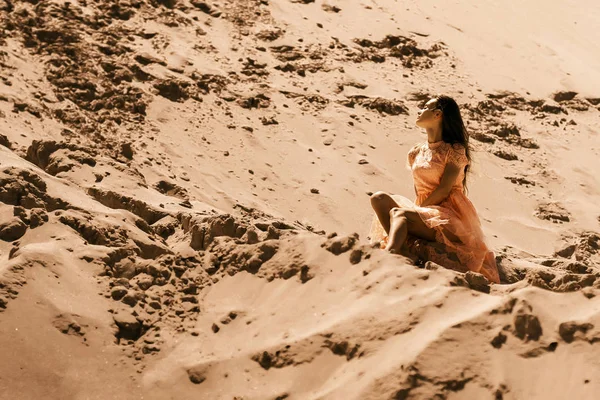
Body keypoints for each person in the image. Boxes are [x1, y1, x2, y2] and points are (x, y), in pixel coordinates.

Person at [368, 95, 500, 284]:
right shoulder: (415, 152)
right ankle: (405, 248)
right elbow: (419, 190)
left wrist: (417, 211)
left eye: (425, 107)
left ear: (438, 114)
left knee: (399, 214)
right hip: (424, 209)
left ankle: (391, 254)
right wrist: (419, 210)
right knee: (378, 198)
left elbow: (444, 189)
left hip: (449, 215)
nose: (419, 110)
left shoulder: (454, 150)